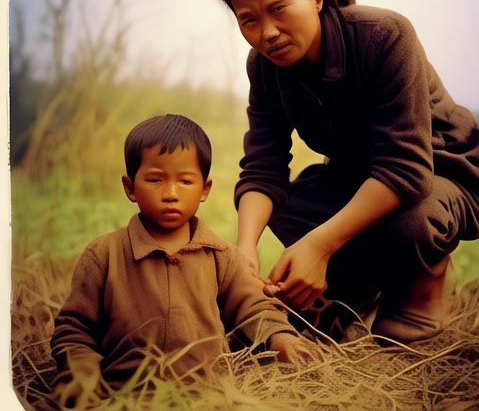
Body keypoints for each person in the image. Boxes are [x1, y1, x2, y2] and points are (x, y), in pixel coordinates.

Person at [219, 0, 479, 343]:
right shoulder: (263, 67)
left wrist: (318, 247)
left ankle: (425, 278)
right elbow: (263, 167)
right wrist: (244, 252)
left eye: (278, 8)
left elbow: (405, 168)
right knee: (286, 208)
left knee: (411, 220)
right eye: (249, 20)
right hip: (356, 175)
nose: (268, 33)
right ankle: (356, 293)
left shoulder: (384, 35)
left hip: (440, 174)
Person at [51, 114, 303, 408]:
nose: (171, 194)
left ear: (205, 189)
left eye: (185, 181)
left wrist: (280, 336)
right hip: (122, 397)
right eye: (155, 179)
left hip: (208, 399)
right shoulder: (104, 255)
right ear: (130, 187)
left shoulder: (221, 256)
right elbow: (74, 330)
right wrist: (82, 378)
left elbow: (253, 306)